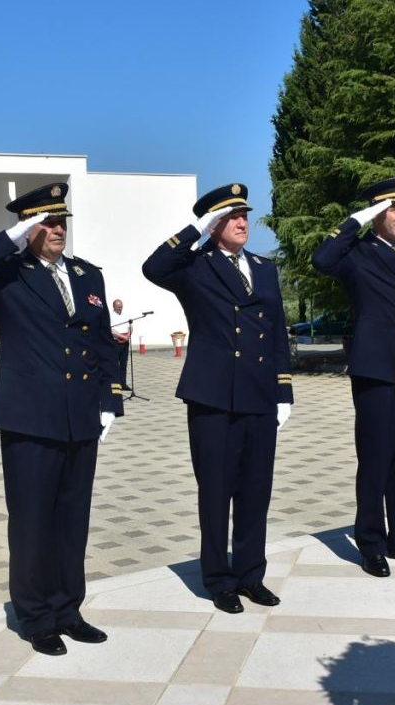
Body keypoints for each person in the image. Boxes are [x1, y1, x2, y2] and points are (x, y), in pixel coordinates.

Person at [0, 182, 123, 657]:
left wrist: (111, 400)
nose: (56, 229)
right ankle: (35, 616)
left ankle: (68, 609)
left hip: (80, 417)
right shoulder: (8, 275)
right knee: (32, 523)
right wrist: (10, 238)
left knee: (72, 521)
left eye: (60, 220)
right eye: (45, 222)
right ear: (27, 227)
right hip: (29, 419)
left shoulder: (88, 275)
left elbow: (102, 340)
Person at [143, 183, 294, 613]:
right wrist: (196, 229)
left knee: (255, 490)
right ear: (213, 225)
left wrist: (283, 388)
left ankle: (251, 574)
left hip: (260, 393)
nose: (242, 222)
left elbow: (278, 329)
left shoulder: (264, 268)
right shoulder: (194, 266)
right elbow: (153, 267)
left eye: (244, 214)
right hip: (214, 396)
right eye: (230, 217)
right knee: (216, 490)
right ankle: (218, 577)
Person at [312, 176, 395, 577]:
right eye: (394, 209)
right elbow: (322, 260)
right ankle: (370, 541)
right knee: (375, 459)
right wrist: (356, 220)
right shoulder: (358, 253)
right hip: (376, 369)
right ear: (376, 214)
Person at [111, 298, 132, 390]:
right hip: (115, 342)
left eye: (121, 307)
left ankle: (123, 383)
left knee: (124, 364)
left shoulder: (126, 315)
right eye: (118, 307)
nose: (120, 308)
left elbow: (130, 326)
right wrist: (123, 337)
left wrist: (128, 334)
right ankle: (115, 384)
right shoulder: (110, 316)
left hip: (125, 342)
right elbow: (111, 330)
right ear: (114, 307)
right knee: (115, 364)